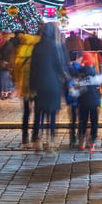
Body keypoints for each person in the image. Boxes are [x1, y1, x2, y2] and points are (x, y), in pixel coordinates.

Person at [30, 22, 67, 152]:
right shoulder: (54, 47)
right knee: (51, 114)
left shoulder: (37, 47)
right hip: (53, 84)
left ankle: (37, 141)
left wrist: (31, 86)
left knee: (38, 113)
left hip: (39, 83)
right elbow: (59, 66)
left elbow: (32, 68)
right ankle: (51, 141)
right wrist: (65, 78)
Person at [11, 30, 39, 147]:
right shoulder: (37, 49)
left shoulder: (20, 50)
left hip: (25, 86)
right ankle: (35, 135)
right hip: (36, 86)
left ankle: (24, 136)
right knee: (38, 112)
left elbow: (16, 68)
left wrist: (17, 81)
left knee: (26, 112)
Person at [76, 53, 102, 152]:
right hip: (94, 101)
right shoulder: (96, 72)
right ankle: (92, 142)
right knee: (94, 122)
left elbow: (75, 85)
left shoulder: (79, 72)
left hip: (82, 101)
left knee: (83, 121)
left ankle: (82, 140)